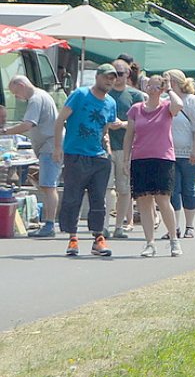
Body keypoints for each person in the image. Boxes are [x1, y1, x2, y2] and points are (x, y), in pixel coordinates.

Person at [54, 62, 123, 258]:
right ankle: (73, 237)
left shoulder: (110, 103)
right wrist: (58, 147)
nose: (110, 81)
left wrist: (106, 147)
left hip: (99, 157)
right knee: (73, 197)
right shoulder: (80, 94)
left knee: (98, 199)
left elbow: (105, 128)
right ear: (97, 77)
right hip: (75, 153)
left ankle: (98, 238)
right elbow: (60, 120)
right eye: (107, 77)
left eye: (113, 78)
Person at [127, 74, 182, 257]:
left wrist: (169, 89)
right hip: (140, 158)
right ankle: (149, 242)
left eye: (156, 86)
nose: (152, 89)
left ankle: (174, 239)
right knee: (144, 201)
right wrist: (125, 159)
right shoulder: (136, 109)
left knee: (163, 200)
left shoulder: (167, 107)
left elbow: (179, 105)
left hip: (162, 158)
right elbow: (129, 135)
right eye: (149, 85)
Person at [4, 76, 60, 236]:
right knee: (46, 185)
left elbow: (27, 124)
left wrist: (5, 131)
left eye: (16, 93)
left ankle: (49, 225)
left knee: (49, 186)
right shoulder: (42, 95)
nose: (17, 97)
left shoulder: (35, 99)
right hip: (49, 145)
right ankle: (48, 222)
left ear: (21, 85)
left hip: (50, 146)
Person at [165, 70, 195, 238]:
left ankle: (190, 226)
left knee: (188, 188)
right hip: (170, 152)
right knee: (173, 190)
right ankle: (173, 228)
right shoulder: (167, 101)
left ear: (175, 82)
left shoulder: (191, 100)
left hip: (188, 152)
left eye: (167, 80)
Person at [104, 60, 140, 238]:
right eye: (113, 74)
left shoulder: (135, 96)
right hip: (105, 147)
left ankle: (119, 225)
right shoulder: (104, 93)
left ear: (128, 74)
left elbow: (143, 122)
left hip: (127, 149)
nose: (116, 77)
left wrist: (124, 124)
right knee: (107, 188)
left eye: (120, 73)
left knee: (124, 189)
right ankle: (104, 225)